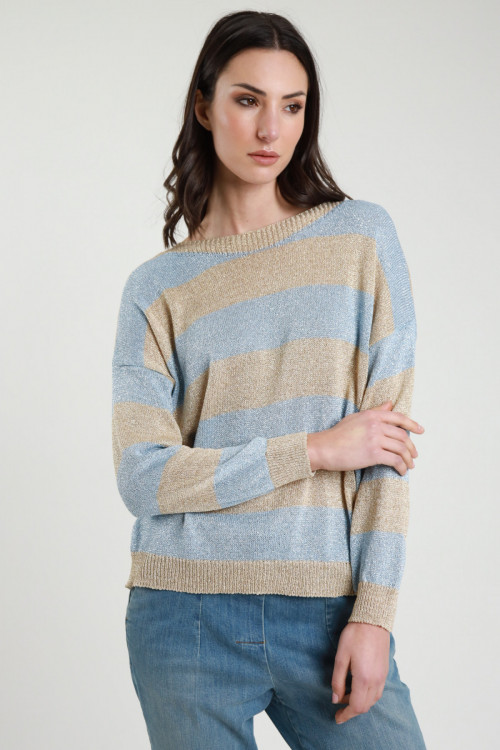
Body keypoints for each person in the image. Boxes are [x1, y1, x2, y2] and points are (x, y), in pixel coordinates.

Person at [112, 9, 427, 749]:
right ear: (204, 106)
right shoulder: (156, 289)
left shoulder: (360, 239)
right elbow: (142, 477)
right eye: (248, 100)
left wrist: (374, 614)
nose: (269, 129)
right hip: (183, 615)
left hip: (325, 612)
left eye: (292, 106)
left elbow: (386, 450)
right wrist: (312, 450)